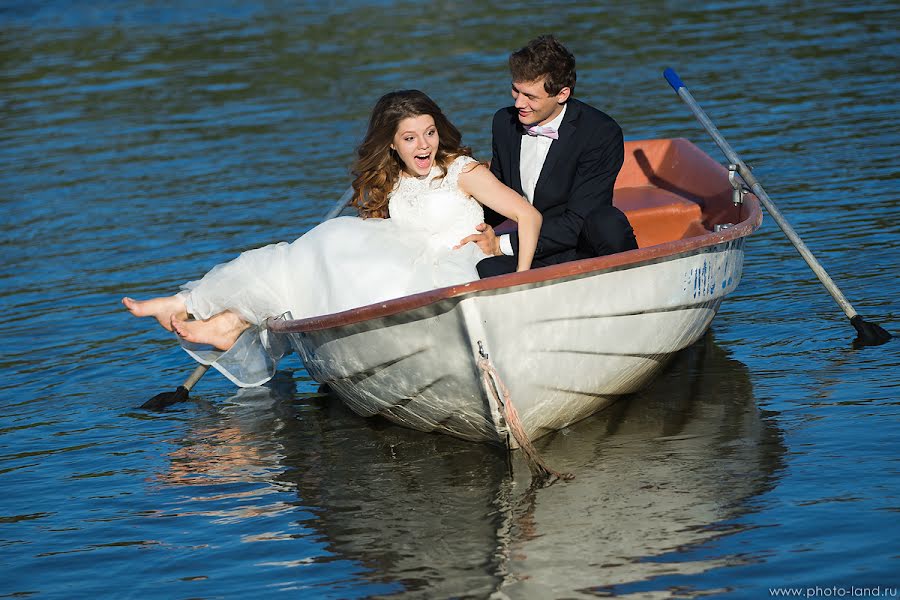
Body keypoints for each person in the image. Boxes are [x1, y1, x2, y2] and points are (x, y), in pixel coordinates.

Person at [123, 90, 541, 387]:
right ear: (392, 146)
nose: (424, 145)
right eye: (410, 138)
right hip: (399, 264)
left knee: (324, 246)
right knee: (315, 248)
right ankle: (200, 310)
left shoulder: (463, 171)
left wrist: (516, 275)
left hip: (449, 269)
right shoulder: (393, 180)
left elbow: (527, 214)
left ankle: (220, 320)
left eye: (430, 133)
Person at [464, 35, 638, 278]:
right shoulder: (504, 122)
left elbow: (579, 220)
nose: (518, 104)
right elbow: (499, 193)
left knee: (608, 222)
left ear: (562, 94)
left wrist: (501, 245)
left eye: (530, 97)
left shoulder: (601, 132)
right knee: (482, 268)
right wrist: (457, 223)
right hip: (535, 255)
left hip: (583, 248)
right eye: (516, 90)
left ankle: (629, 284)